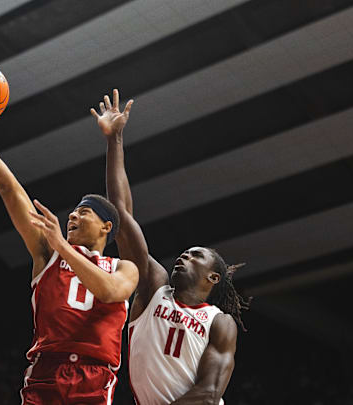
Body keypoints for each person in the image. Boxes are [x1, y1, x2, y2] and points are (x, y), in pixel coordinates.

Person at [0, 81, 139, 404]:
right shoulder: (47, 251)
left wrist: (63, 247)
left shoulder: (123, 267)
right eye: (73, 213)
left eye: (84, 213)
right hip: (45, 376)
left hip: (93, 381)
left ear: (107, 227)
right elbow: (8, 187)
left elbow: (109, 292)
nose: (73, 217)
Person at [90, 89, 251, 405]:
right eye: (185, 252)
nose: (184, 256)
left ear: (213, 278)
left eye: (196, 256)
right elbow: (121, 215)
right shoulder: (153, 287)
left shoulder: (219, 322)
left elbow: (208, 395)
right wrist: (114, 141)